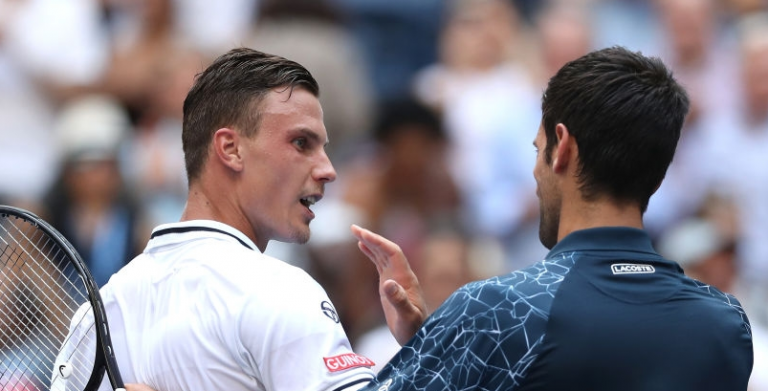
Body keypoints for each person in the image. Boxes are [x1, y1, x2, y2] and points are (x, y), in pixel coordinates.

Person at [352, 46, 753, 390]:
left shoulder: (497, 311)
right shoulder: (727, 324)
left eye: (537, 149)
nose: (535, 173)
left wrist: (436, 347)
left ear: (561, 148)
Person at [53, 47, 426, 391]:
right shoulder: (281, 291)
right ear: (230, 149)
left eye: (323, 148)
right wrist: (425, 353)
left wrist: (418, 348)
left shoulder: (94, 318)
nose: (328, 170)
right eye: (301, 143)